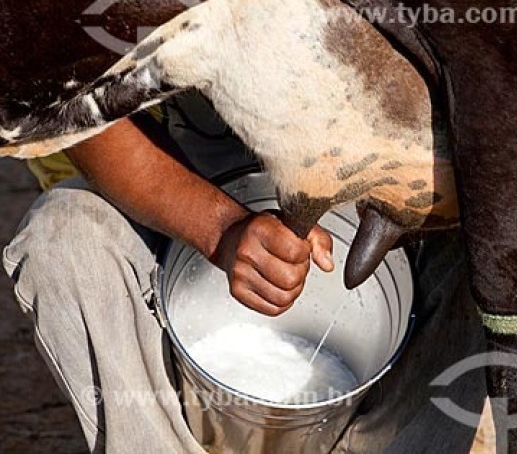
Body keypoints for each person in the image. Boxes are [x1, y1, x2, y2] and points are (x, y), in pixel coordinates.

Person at [3, 91, 487, 453]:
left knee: (491, 254)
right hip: (174, 185)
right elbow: (75, 106)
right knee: (61, 236)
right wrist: (219, 228)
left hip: (372, 177)